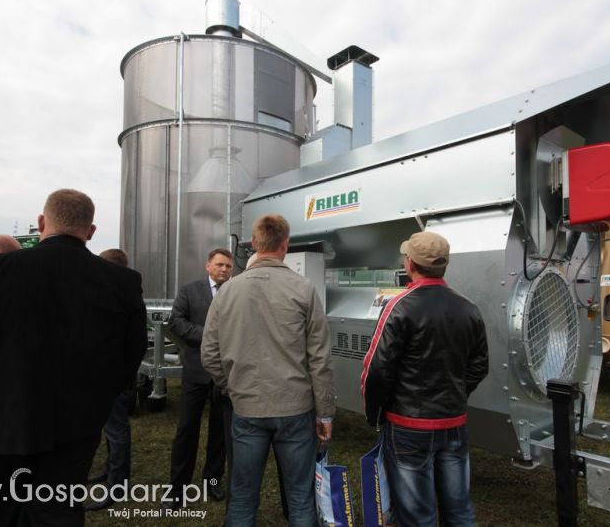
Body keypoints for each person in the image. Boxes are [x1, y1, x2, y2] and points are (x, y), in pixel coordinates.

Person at [0, 189, 147, 526]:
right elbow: (131, 351)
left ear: (42, 222)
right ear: (90, 231)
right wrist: (100, 400)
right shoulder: (121, 281)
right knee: (57, 512)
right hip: (75, 427)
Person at [201, 214, 334, 526]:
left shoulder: (227, 291)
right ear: (284, 244)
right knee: (301, 497)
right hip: (295, 408)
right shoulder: (303, 289)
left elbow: (209, 354)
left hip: (247, 405)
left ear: (255, 245)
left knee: (243, 495)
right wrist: (325, 413)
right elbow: (320, 359)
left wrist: (232, 386)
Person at [361, 231, 489, 527]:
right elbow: (479, 365)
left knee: (418, 515)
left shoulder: (399, 306)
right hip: (454, 424)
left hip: (408, 426)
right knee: (459, 511)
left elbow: (378, 369)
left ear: (410, 264)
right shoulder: (468, 308)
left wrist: (375, 414)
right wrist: (456, 393)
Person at [164, 248, 233, 507]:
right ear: (208, 266)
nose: (224, 269)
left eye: (228, 266)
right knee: (186, 431)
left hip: (225, 375)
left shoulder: (236, 292)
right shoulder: (189, 290)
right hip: (195, 372)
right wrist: (208, 334)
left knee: (220, 433)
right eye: (219, 265)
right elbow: (176, 322)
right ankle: (177, 490)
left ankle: (213, 481)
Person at [85, 248, 135, 512]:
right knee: (109, 427)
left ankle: (117, 485)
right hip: (104, 372)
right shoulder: (120, 288)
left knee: (116, 430)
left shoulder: (119, 292)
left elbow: (133, 339)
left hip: (111, 374)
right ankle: (108, 471)